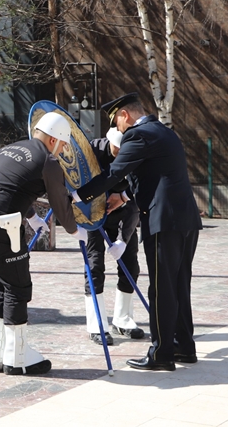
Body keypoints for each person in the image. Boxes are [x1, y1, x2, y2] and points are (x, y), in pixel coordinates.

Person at [75, 93, 201, 371]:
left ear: (125, 115)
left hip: (163, 222)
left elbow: (115, 173)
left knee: (161, 288)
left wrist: (77, 195)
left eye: (116, 122)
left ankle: (161, 353)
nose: (117, 129)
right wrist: (123, 197)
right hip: (185, 220)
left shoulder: (137, 135)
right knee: (179, 284)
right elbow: (154, 176)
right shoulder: (164, 132)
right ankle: (184, 346)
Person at [0, 112, 86, 376]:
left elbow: (9, 186)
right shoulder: (48, 161)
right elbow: (60, 203)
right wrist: (76, 230)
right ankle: (17, 358)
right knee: (18, 288)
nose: (62, 151)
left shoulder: (9, 149)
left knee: (2, 284)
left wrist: (31, 217)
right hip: (0, 226)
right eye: (63, 145)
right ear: (53, 139)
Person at [84, 127, 143, 345]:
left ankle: (123, 319)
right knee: (94, 267)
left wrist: (123, 239)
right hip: (92, 213)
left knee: (131, 265)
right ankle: (96, 324)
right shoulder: (91, 152)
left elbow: (136, 198)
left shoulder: (135, 155)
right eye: (118, 149)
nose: (121, 153)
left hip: (124, 211)